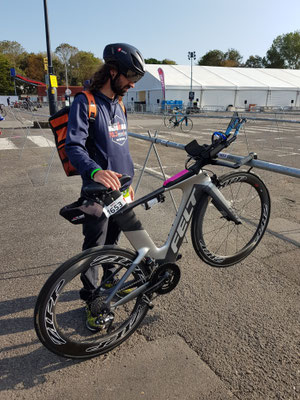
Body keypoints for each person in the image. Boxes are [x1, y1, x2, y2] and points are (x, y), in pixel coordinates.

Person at [65, 43, 145, 331]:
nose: (132, 83)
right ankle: (91, 299)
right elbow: (73, 146)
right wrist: (95, 171)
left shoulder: (120, 104)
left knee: (114, 242)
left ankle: (111, 281)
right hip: (97, 192)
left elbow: (120, 146)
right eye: (129, 76)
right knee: (94, 248)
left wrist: (128, 182)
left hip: (121, 191)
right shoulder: (85, 102)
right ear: (112, 72)